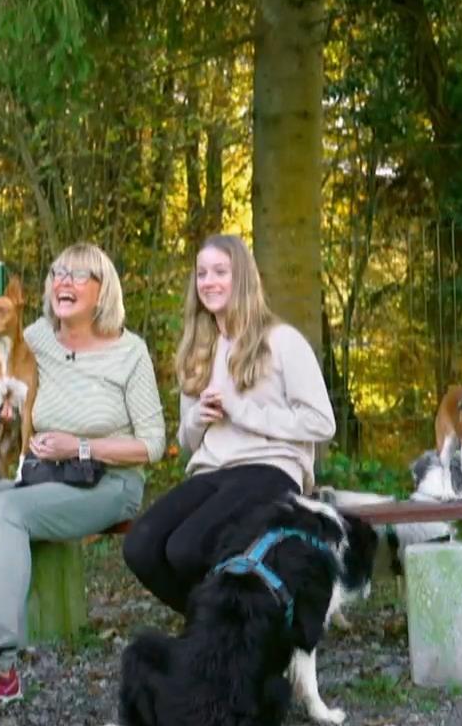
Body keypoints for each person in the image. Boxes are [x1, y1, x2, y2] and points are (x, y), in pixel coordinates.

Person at [0, 243, 166, 716]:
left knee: (7, 512)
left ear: (103, 291)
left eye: (77, 275)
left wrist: (81, 447)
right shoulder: (36, 336)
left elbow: (152, 444)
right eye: (57, 274)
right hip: (42, 474)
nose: (63, 282)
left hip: (108, 482)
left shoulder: (129, 352)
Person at [121, 233, 335, 615]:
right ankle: (213, 626)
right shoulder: (198, 349)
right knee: (140, 547)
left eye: (220, 271)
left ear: (243, 277)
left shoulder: (282, 340)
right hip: (213, 470)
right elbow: (188, 442)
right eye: (202, 273)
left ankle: (229, 627)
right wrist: (197, 418)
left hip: (270, 467)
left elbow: (322, 422)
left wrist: (243, 411)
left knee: (186, 548)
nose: (209, 281)